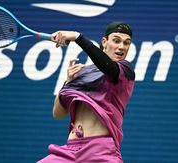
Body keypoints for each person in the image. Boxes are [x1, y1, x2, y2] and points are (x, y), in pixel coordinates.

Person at [37, 22, 135, 163]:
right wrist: (68, 82)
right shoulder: (83, 72)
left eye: (126, 43)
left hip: (100, 152)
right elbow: (58, 113)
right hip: (69, 151)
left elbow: (108, 66)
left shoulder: (125, 71)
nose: (121, 47)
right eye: (116, 40)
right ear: (104, 42)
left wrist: (78, 37)